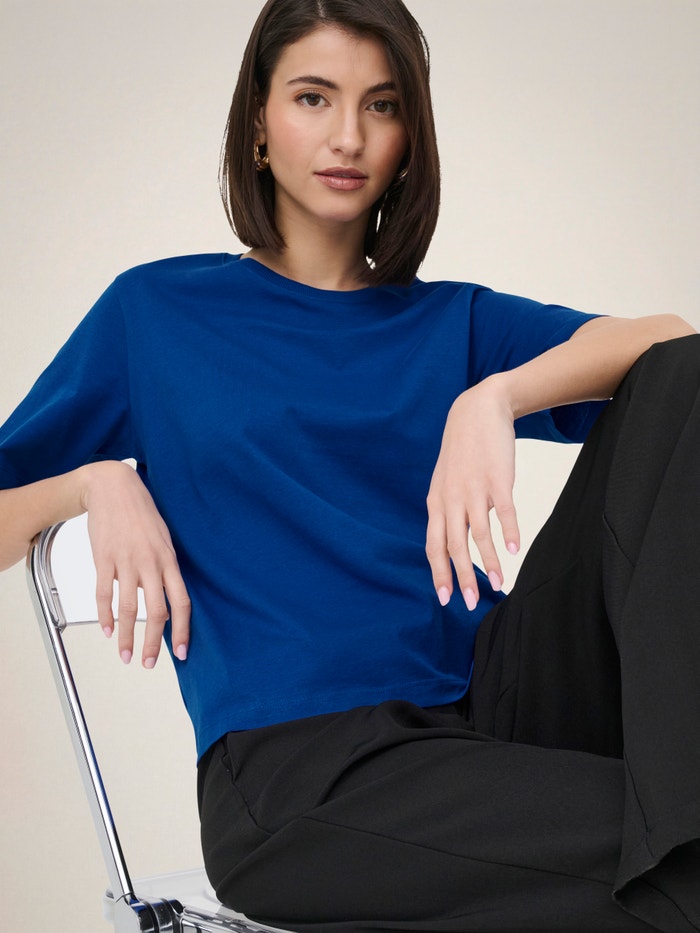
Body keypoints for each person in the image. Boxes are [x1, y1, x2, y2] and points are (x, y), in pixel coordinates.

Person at [1, 0, 698, 929]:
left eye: (381, 104)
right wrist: (96, 481)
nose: (348, 136)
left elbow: (668, 341)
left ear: (410, 139)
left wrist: (491, 398)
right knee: (674, 853)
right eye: (313, 97)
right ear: (258, 123)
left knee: (682, 378)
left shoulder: (451, 321)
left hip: (495, 703)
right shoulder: (155, 313)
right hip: (304, 769)